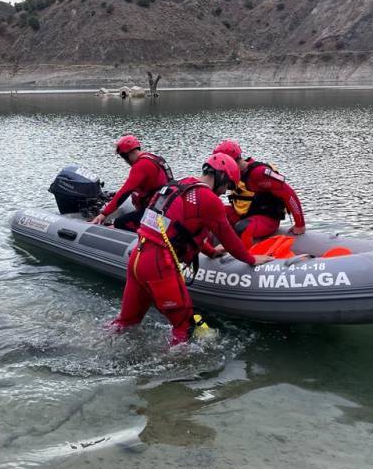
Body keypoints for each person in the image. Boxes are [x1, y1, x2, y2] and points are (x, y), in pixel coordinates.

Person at [111, 153, 274, 346]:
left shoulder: (177, 185)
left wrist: (210, 252)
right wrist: (251, 259)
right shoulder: (208, 199)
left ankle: (100, 342)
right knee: (185, 326)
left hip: (138, 259)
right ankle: (174, 372)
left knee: (126, 322)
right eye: (228, 185)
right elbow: (228, 237)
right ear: (221, 176)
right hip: (158, 264)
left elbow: (177, 231)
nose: (225, 192)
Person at [212, 140, 305, 248]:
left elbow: (289, 195)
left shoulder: (259, 173)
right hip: (244, 214)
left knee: (241, 228)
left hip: (267, 218)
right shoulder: (230, 174)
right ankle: (205, 248)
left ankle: (249, 257)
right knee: (212, 212)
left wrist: (300, 224)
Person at [90, 135, 173, 231]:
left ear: (126, 154)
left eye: (123, 156)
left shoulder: (140, 165)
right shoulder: (156, 158)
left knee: (120, 222)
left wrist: (103, 214)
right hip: (166, 208)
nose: (125, 161)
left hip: (156, 214)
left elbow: (125, 192)